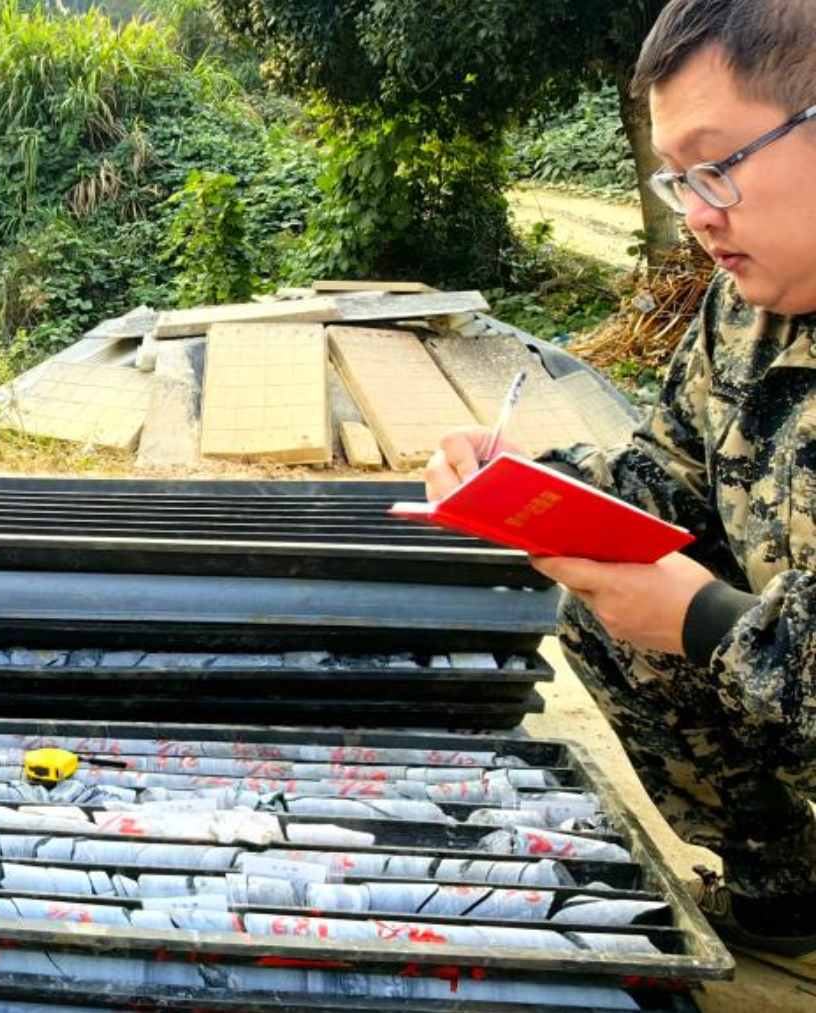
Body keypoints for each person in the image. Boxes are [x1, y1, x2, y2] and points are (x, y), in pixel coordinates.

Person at [426, 0, 816, 971]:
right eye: (677, 179)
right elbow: (670, 474)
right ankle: (789, 889)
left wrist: (706, 619)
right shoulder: (747, 309)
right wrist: (523, 487)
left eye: (717, 167)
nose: (696, 214)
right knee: (601, 600)